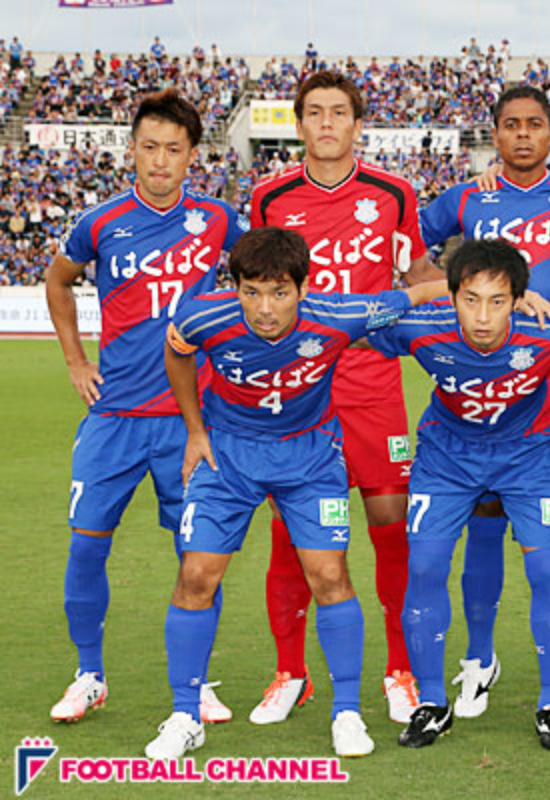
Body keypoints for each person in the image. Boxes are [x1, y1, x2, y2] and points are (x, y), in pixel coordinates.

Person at [147, 226, 446, 760]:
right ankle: (184, 715)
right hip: (228, 456)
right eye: (252, 292)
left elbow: (420, 292)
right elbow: (178, 353)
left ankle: (347, 712)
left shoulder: (340, 315)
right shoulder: (201, 316)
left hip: (309, 459)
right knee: (196, 576)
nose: (265, 309)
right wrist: (194, 429)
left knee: (329, 575)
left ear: (304, 289)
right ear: (235, 287)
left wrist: (513, 292)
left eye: (280, 292)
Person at [419, 85, 550, 720]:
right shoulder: (467, 197)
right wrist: (445, 300)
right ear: (496, 133)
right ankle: (479, 659)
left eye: (535, 124)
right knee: (483, 527)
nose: (523, 135)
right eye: (511, 125)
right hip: (481, 394)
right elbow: (406, 251)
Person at [369, 239, 550, 750]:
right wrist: (419, 294)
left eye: (498, 301)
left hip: (529, 458)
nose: (483, 317)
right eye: (470, 300)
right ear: (452, 297)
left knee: (548, 568)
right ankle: (431, 702)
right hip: (447, 460)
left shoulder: (547, 333)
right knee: (424, 566)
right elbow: (348, 331)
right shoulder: (422, 329)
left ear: (519, 300)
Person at [45, 89, 244, 726]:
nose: (161, 161)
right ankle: (89, 675)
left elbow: (269, 272)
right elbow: (58, 279)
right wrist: (76, 361)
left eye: (174, 150)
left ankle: (198, 680)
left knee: (198, 558)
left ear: (193, 156)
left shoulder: (219, 220)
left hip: (191, 422)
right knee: (86, 548)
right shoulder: (99, 222)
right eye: (150, 147)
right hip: (114, 418)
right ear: (132, 149)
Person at [249, 71, 434, 726]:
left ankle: (401, 670)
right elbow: (259, 288)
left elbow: (417, 274)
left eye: (338, 113)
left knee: (392, 529)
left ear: (358, 124)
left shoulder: (393, 193)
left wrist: (481, 289)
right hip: (299, 390)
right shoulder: (270, 197)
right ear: (299, 123)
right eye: (315, 112)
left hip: (374, 385)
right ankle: (290, 673)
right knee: (290, 534)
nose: (326, 123)